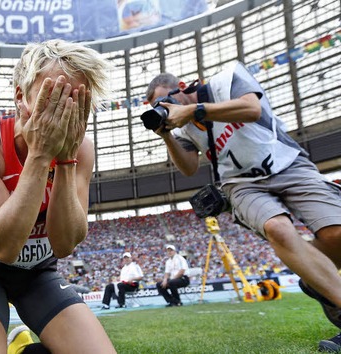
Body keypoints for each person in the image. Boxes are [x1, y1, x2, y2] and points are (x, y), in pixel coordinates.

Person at [146, 62, 341, 349]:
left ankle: (315, 278)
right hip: (240, 184)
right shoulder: (185, 129)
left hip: (287, 162)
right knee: (277, 228)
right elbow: (188, 168)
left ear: (184, 87)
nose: (167, 109)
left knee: (335, 234)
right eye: (159, 107)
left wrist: (196, 110)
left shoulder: (227, 79)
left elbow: (252, 109)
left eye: (167, 102)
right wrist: (166, 135)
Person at [0, 39, 116, 354]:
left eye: (75, 100)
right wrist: (40, 155)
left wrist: (66, 159)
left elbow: (65, 244)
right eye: (52, 96)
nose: (64, 110)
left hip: (38, 272)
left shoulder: (83, 147)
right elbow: (3, 248)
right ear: (21, 96)